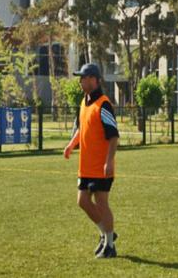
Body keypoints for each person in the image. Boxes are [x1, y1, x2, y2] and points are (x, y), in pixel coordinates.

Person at [63, 63, 120, 259]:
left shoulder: (104, 104)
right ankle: (106, 233)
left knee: (101, 203)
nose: (80, 81)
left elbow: (113, 136)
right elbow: (82, 128)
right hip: (86, 167)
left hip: (100, 167)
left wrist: (109, 162)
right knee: (83, 201)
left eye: (83, 77)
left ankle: (109, 245)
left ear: (94, 80)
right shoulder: (84, 102)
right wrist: (71, 145)